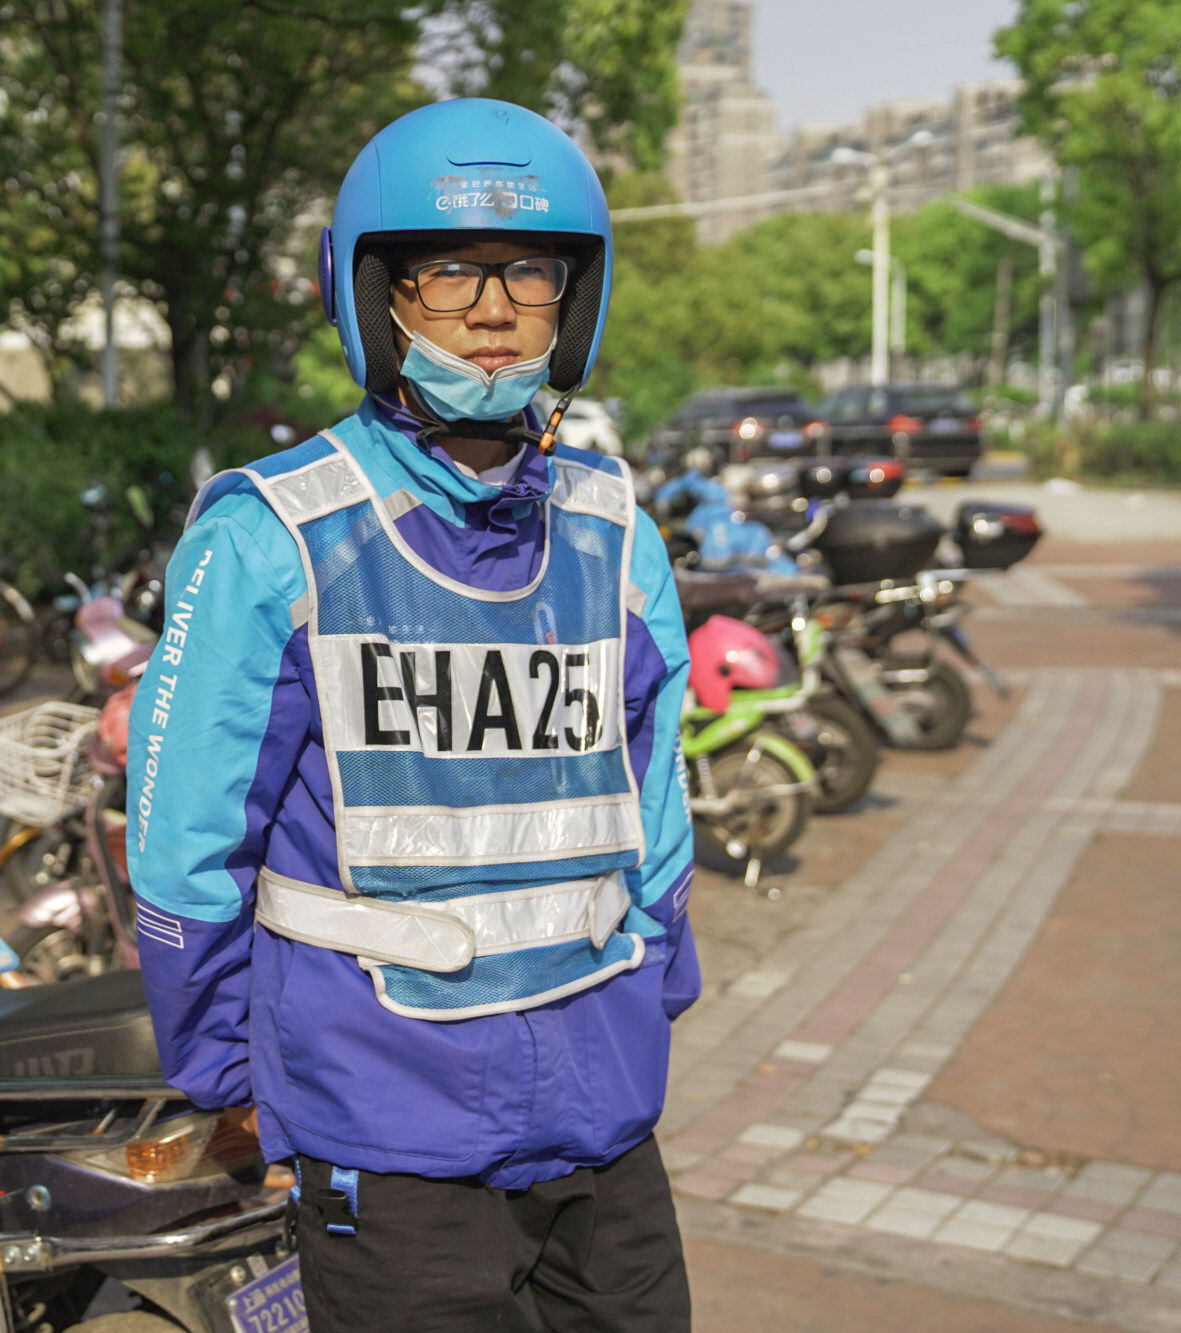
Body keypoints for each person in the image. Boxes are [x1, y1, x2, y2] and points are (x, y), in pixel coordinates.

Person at [127, 97, 697, 1331]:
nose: (492, 310)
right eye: (449, 273)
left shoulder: (611, 531)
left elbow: (658, 802)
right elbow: (186, 846)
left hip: (602, 1118)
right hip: (384, 1128)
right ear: (376, 296)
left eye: (528, 273)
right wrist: (229, 1073)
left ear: (571, 300)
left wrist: (655, 995)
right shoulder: (275, 535)